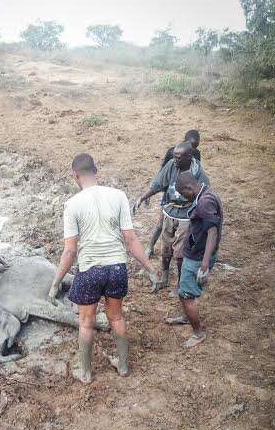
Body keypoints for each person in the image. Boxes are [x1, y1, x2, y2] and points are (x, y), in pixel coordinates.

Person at [48, 153, 158, 384]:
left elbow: (69, 251)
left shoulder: (72, 205)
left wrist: (56, 281)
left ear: (75, 176)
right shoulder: (118, 196)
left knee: (86, 322)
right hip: (116, 267)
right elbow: (130, 239)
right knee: (116, 317)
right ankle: (124, 366)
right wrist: (149, 268)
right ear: (96, 171)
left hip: (90, 270)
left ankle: (86, 373)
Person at [134, 141, 210, 294]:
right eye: (175, 157)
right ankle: (165, 277)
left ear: (189, 156)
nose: (176, 160)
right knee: (166, 249)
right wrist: (142, 197)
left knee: (180, 253)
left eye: (179, 157)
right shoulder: (171, 165)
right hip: (170, 211)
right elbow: (157, 184)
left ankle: (181, 284)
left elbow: (205, 195)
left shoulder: (198, 173)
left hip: (187, 215)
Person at [165, 172, 223, 347]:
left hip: (198, 257)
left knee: (186, 294)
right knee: (184, 290)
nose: (184, 198)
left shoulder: (205, 202)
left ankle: (198, 333)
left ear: (189, 188)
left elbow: (212, 232)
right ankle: (186, 317)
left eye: (184, 194)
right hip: (194, 253)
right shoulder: (206, 192)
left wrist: (205, 263)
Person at [145, 130, 202, 259]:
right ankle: (150, 246)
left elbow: (196, 175)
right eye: (192, 145)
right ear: (185, 141)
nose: (193, 149)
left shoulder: (196, 154)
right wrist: (151, 192)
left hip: (185, 195)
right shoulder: (173, 152)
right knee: (161, 224)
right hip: (169, 193)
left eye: (196, 146)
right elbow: (163, 173)